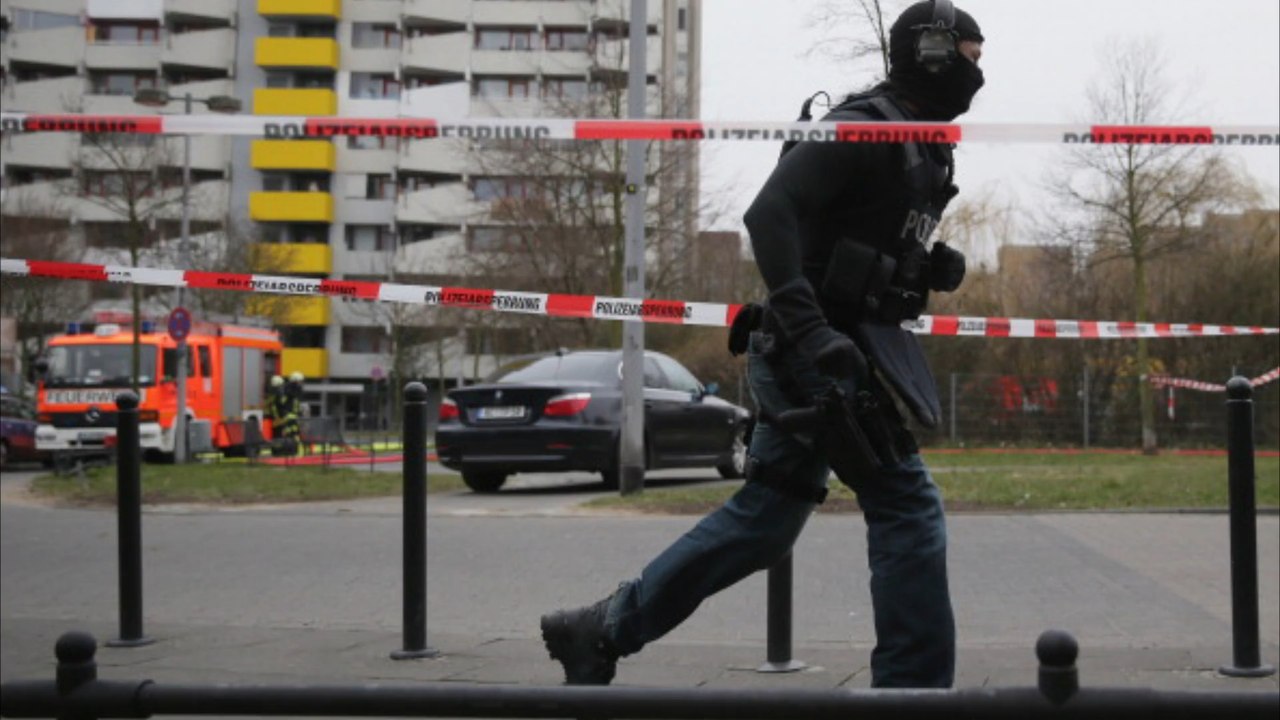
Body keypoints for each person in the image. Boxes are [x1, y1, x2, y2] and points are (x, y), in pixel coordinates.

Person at [540, 0, 984, 689]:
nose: (976, 76)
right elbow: (769, 213)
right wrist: (811, 331)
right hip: (817, 354)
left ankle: (600, 629)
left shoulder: (921, 143)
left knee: (767, 521)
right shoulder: (861, 126)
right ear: (930, 53)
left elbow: (851, 240)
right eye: (968, 59)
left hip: (837, 348)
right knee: (907, 505)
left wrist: (929, 265)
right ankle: (912, 695)